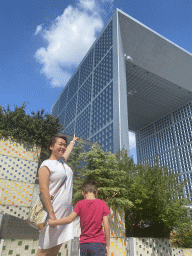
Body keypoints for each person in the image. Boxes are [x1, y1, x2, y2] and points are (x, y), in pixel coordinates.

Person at [35, 134, 79, 256]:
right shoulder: (46, 165)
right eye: (60, 144)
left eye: (64, 145)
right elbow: (44, 190)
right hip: (52, 214)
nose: (63, 147)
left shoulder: (62, 162)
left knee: (56, 247)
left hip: (65, 214)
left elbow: (67, 151)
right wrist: (52, 214)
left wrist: (73, 142)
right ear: (51, 146)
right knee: (44, 249)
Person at [48, 180, 111, 256]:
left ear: (83, 192)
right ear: (96, 192)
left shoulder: (80, 204)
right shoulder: (102, 203)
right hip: (98, 244)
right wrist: (107, 245)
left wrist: (53, 222)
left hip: (84, 245)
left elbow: (69, 219)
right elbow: (107, 227)